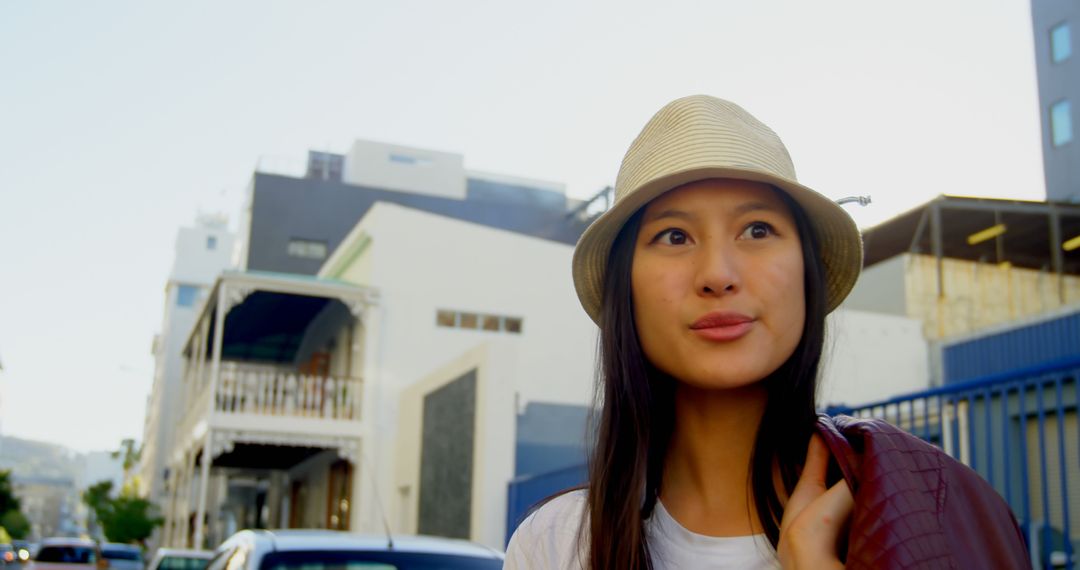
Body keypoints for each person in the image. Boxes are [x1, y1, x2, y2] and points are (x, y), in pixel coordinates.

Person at [504, 95, 1030, 569]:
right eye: (674, 235)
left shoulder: (912, 514)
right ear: (627, 290)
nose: (717, 274)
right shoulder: (556, 546)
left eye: (758, 229)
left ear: (806, 272)